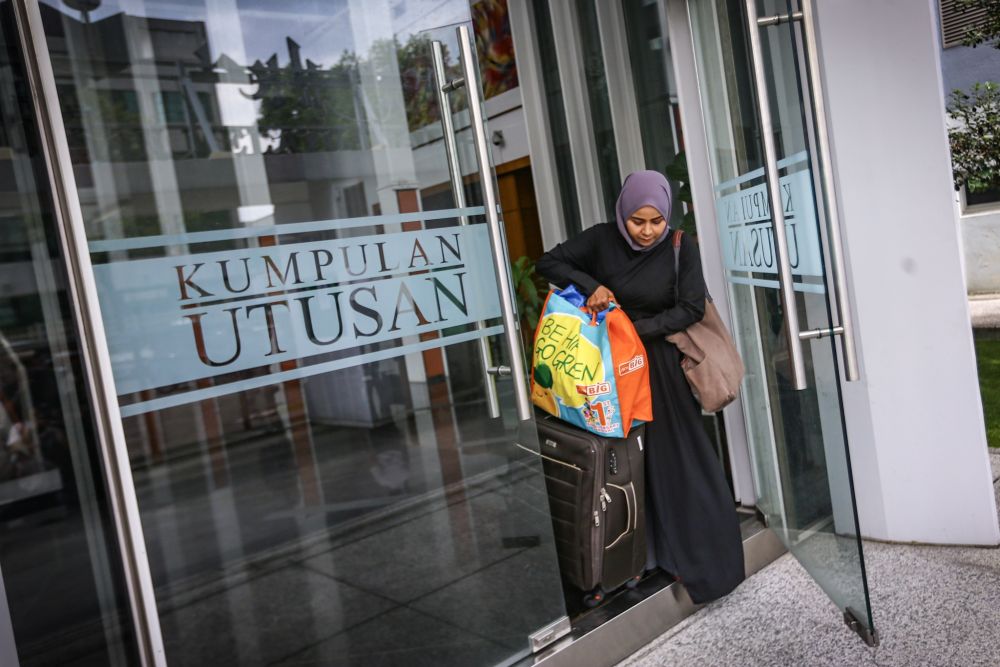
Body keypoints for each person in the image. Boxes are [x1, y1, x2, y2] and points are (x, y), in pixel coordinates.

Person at [535, 170, 744, 604]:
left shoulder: (681, 248)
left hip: (659, 370)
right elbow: (548, 262)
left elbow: (688, 309)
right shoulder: (600, 240)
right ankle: (631, 563)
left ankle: (698, 562)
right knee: (623, 467)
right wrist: (593, 286)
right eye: (637, 221)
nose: (647, 231)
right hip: (609, 373)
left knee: (676, 462)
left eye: (655, 222)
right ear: (622, 214)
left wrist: (631, 329)